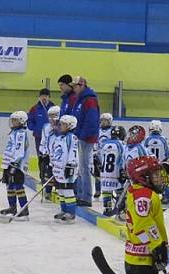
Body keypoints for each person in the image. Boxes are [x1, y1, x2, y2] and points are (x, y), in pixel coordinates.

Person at [41, 114, 79, 223]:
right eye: (61, 124)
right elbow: (54, 152)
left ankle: (71, 213)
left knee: (68, 191)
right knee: (61, 191)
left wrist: (70, 165)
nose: (61, 126)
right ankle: (64, 211)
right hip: (58, 169)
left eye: (64, 124)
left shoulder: (72, 138)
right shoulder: (59, 138)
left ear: (70, 126)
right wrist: (52, 163)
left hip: (68, 169)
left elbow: (74, 152)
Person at [69, 76, 100, 207]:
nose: (73, 89)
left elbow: (91, 121)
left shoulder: (90, 101)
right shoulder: (80, 100)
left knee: (84, 167)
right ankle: (81, 194)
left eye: (75, 86)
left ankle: (86, 197)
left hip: (86, 138)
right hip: (80, 137)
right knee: (81, 168)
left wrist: (82, 135)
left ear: (81, 85)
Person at [0, 111, 31, 219]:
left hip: (17, 165)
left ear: (22, 121)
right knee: (10, 186)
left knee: (18, 187)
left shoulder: (21, 133)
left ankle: (24, 210)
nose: (13, 121)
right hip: (10, 163)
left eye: (15, 120)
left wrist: (14, 164)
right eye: (12, 119)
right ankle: (12, 207)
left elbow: (20, 151)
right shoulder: (14, 132)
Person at [98, 125, 126, 217]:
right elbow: (123, 158)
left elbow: (100, 158)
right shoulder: (121, 144)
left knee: (106, 191)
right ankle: (121, 210)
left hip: (105, 173)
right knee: (120, 191)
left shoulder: (104, 144)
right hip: (116, 173)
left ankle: (107, 209)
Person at [27, 88, 55, 179]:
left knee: (52, 156)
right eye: (42, 96)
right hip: (39, 137)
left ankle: (52, 176)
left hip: (52, 137)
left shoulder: (54, 108)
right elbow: (29, 121)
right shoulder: (34, 109)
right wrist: (36, 129)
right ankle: (42, 175)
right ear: (39, 97)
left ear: (49, 97)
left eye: (46, 96)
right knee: (41, 156)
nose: (44, 98)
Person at [38, 105, 60, 200]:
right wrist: (44, 153)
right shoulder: (46, 127)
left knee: (59, 174)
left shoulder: (62, 128)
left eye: (54, 115)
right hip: (48, 155)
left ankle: (59, 190)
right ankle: (48, 191)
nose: (51, 118)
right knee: (47, 173)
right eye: (50, 116)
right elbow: (43, 142)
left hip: (58, 157)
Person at [93, 113, 114, 199]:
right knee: (97, 174)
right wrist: (94, 151)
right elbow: (95, 141)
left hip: (109, 154)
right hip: (98, 154)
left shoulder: (113, 131)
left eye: (106, 120)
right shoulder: (97, 130)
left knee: (109, 174)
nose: (104, 122)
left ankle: (110, 190)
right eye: (102, 120)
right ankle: (98, 190)